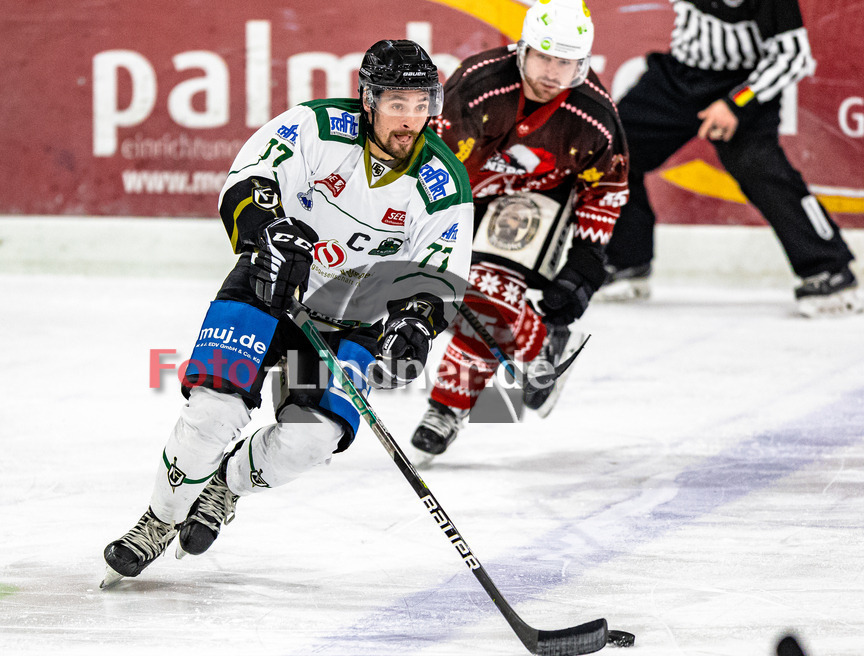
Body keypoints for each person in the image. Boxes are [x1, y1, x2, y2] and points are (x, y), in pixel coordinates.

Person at [101, 40, 473, 585]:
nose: (411, 119)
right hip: (270, 286)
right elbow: (247, 181)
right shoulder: (314, 128)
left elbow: (435, 278)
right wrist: (268, 232)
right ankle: (158, 520)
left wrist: (416, 322)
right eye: (397, 104)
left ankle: (223, 487)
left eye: (422, 105)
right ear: (368, 99)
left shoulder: (443, 184)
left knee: (308, 441)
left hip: (353, 319)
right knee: (213, 412)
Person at [410, 0, 629, 459]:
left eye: (566, 63)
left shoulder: (594, 116)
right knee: (450, 290)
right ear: (522, 49)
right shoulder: (477, 87)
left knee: (492, 290)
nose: (553, 73)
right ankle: (540, 347)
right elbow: (433, 164)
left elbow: (606, 189)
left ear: (583, 64)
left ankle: (447, 406)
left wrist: (588, 258)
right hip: (464, 192)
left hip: (537, 197)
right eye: (545, 57)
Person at [600, 0, 862, 317]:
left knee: (760, 167)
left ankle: (831, 269)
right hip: (680, 76)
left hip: (743, 84)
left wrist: (737, 104)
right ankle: (628, 259)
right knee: (614, 149)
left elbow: (794, 56)